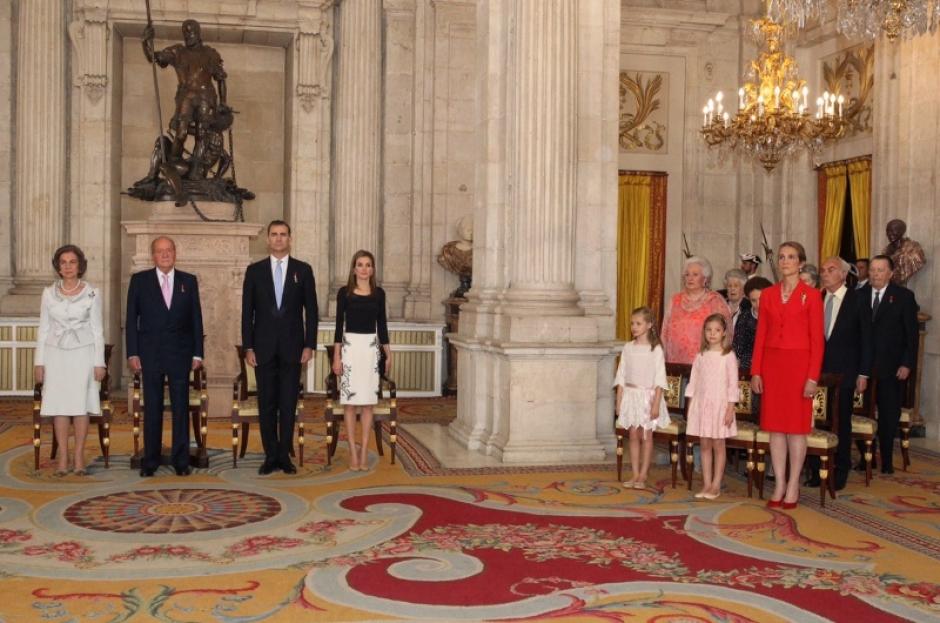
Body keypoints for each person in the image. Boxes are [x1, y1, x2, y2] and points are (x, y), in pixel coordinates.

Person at [241, 220, 318, 475]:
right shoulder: (254, 271)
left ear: (290, 239)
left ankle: (284, 455)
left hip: (293, 348)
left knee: (287, 403)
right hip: (262, 348)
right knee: (266, 404)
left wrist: (309, 345)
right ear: (267, 239)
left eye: (283, 235)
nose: (278, 239)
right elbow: (246, 314)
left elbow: (312, 312)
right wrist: (248, 347)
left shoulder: (303, 271)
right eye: (274, 234)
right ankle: (270, 455)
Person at [751, 241, 824, 509]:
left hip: (799, 367)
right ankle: (779, 482)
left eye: (791, 257)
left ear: (801, 262)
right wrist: (756, 370)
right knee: (775, 429)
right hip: (772, 365)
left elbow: (817, 341)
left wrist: (812, 377)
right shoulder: (769, 294)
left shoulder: (812, 295)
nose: (785, 261)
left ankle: (793, 483)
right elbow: (760, 336)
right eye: (782, 257)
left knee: (796, 429)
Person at [126, 237, 204, 477]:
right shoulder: (139, 281)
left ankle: (181, 460)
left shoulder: (188, 281)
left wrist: (197, 352)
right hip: (150, 354)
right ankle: (151, 460)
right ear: (153, 256)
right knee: (153, 408)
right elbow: (131, 320)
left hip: (180, 354)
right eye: (160, 251)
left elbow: (196, 320)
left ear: (175, 253)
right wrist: (133, 352)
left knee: (181, 408)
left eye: (169, 250)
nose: (165, 254)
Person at [34, 245, 106, 476]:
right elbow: (43, 330)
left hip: (83, 354)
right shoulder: (48, 293)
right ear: (58, 266)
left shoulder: (92, 292)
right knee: (59, 407)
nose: (67, 266)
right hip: (55, 355)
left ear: (80, 265)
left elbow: (97, 331)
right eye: (63, 262)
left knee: (80, 406)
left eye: (72, 262)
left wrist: (99, 362)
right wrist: (39, 362)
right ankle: (63, 456)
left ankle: (78, 457)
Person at [805, 257, 871, 490]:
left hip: (846, 373)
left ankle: (840, 470)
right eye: (822, 270)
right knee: (814, 421)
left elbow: (866, 339)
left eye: (831, 270)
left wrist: (863, 373)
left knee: (840, 421)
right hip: (818, 373)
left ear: (844, 274)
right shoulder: (816, 297)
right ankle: (815, 470)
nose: (825, 273)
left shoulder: (859, 299)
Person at [142, 19, 227, 180]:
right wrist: (146, 41)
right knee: (180, 133)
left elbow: (221, 78)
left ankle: (196, 170)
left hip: (206, 97)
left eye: (191, 31)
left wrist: (223, 103)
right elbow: (153, 57)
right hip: (185, 97)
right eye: (185, 32)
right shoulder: (177, 51)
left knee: (202, 134)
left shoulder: (210, 54)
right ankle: (172, 165)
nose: (188, 35)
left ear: (198, 32)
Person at [332, 250, 392, 471]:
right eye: (360, 264)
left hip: (369, 351)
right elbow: (339, 327)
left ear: (372, 269)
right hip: (350, 349)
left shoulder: (379, 294)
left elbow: (382, 326)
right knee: (349, 405)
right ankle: (352, 453)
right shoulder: (344, 293)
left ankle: (364, 451)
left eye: (368, 265)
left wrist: (388, 352)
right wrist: (337, 356)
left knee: (367, 404)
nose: (364, 269)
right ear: (354, 268)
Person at [858, 255, 918, 474]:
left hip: (892, 367)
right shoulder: (859, 295)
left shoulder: (903, 297)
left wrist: (907, 363)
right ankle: (866, 456)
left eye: (880, 270)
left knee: (888, 413)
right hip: (863, 367)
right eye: (872, 270)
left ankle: (886, 460)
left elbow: (911, 335)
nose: (875, 274)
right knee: (862, 413)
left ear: (891, 273)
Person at [613, 306, 671, 489]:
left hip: (648, 397)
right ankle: (635, 472)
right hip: (631, 396)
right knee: (633, 434)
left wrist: (655, 404)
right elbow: (621, 376)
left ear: (649, 325)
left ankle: (644, 473)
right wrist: (619, 400)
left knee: (646, 435)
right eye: (632, 323)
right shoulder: (628, 348)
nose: (634, 327)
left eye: (638, 323)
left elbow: (659, 379)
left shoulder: (656, 349)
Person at [686, 314, 739, 500]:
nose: (712, 334)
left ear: (724, 333)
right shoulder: (700, 356)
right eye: (708, 330)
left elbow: (733, 384)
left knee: (718, 444)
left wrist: (730, 408)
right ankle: (707, 483)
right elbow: (694, 382)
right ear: (704, 333)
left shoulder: (728, 356)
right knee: (705, 444)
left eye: (717, 330)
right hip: (702, 405)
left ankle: (716, 483)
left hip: (720, 406)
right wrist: (691, 405)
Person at [661, 256, 731, 364]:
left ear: (705, 279)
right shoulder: (675, 300)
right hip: (674, 365)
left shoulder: (715, 301)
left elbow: (727, 334)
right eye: (687, 274)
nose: (690, 278)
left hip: (705, 365)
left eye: (695, 274)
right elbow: (664, 332)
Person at [732, 277, 773, 372]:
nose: (758, 304)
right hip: (747, 368)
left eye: (762, 299)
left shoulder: (777, 317)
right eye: (753, 300)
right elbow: (738, 347)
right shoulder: (744, 317)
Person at [881, 219, 926, 286]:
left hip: (902, 288)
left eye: (894, 230)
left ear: (902, 231)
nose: (890, 233)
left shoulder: (913, 248)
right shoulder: (885, 251)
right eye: (888, 230)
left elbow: (917, 262)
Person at [721, 268, 750, 335]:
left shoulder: (748, 307)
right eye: (729, 286)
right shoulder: (720, 305)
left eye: (736, 286)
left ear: (744, 288)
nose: (732, 289)